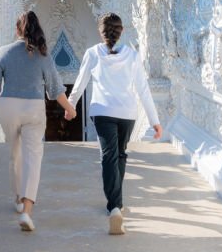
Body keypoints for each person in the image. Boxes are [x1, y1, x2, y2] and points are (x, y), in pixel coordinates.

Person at [0, 11, 77, 232]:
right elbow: (55, 89)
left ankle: (19, 198)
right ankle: (27, 211)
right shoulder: (43, 54)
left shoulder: (3, 52)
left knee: (15, 155)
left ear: (17, 29)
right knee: (33, 158)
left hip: (8, 107)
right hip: (33, 108)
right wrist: (69, 108)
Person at [68, 12, 162, 235]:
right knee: (120, 154)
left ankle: (114, 207)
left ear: (101, 32)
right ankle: (117, 205)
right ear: (121, 32)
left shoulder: (93, 53)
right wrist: (154, 121)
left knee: (108, 156)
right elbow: (143, 89)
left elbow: (81, 82)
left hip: (102, 111)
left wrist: (71, 106)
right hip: (127, 112)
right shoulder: (131, 54)